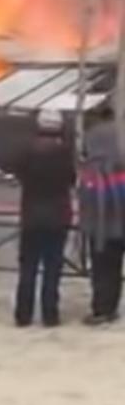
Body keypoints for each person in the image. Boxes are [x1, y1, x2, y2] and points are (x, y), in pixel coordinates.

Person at [3, 109, 75, 328]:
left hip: (31, 214)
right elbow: (71, 179)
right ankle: (50, 314)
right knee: (53, 268)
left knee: (28, 267)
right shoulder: (64, 152)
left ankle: (23, 314)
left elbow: (17, 175)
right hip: (58, 214)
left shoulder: (26, 150)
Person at [79, 105, 125, 326]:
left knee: (102, 268)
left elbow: (88, 201)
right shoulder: (121, 166)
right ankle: (110, 307)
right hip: (121, 223)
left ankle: (103, 309)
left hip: (100, 228)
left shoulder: (92, 171)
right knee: (113, 267)